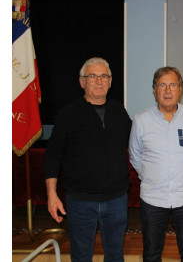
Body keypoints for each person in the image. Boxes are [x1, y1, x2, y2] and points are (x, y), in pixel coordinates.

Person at [44, 57, 132, 262]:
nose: (99, 81)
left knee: (115, 255)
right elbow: (53, 155)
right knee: (81, 256)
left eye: (104, 76)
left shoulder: (119, 111)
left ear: (110, 81)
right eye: (92, 76)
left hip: (117, 199)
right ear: (82, 81)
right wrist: (51, 194)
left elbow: (137, 144)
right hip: (80, 201)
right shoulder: (67, 114)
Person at [129, 67, 183, 262]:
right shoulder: (141, 120)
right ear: (154, 90)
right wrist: (151, 175)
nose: (167, 90)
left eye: (172, 85)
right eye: (162, 85)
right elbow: (135, 155)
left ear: (180, 89)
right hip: (153, 197)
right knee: (152, 253)